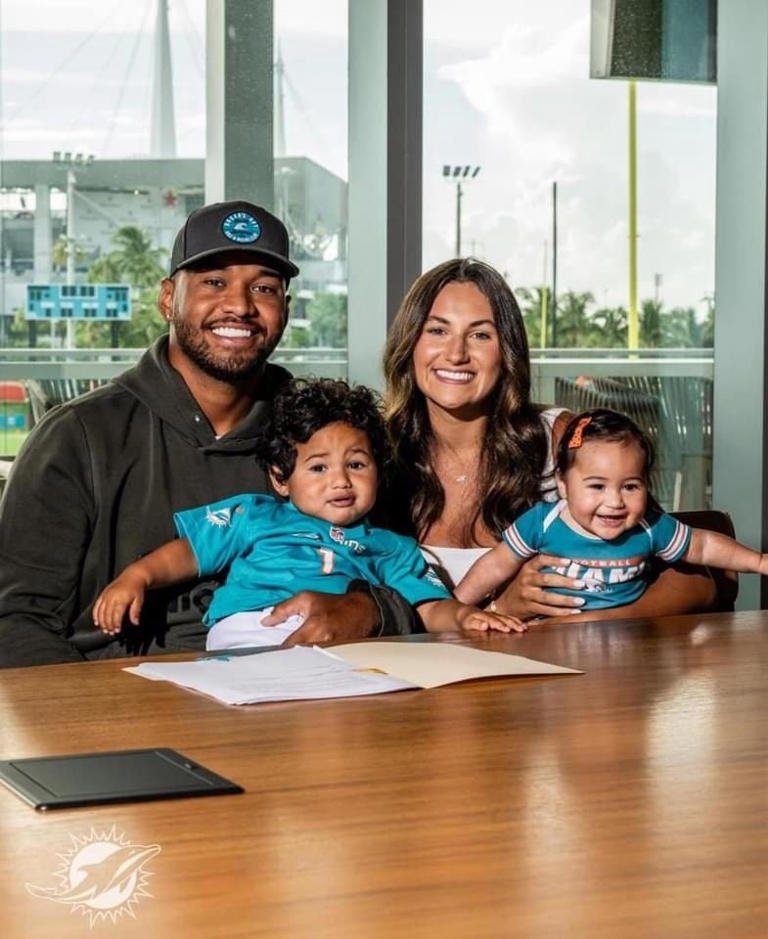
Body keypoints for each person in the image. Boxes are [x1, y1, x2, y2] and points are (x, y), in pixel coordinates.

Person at [0, 201, 417, 667]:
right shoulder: (78, 437)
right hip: (126, 698)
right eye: (214, 282)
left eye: (263, 287)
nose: (239, 305)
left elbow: (406, 573)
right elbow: (18, 621)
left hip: (312, 697)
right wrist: (96, 725)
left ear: (285, 309)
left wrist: (369, 610)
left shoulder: (329, 435)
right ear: (167, 299)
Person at [381, 257, 716, 620]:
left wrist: (591, 623)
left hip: (561, 669)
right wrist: (502, 608)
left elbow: (697, 583)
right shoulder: (373, 455)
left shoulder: (560, 440)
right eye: (437, 331)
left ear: (507, 352)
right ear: (409, 344)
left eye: (480, 334)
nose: (457, 353)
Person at [93, 379, 524, 647]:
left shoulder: (393, 547)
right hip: (251, 631)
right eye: (318, 468)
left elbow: (428, 608)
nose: (340, 481)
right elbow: (190, 553)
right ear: (282, 478)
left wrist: (466, 616)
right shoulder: (257, 514)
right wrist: (137, 577)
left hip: (342, 644)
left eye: (356, 464)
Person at [455, 409, 767, 610]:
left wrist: (759, 561)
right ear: (562, 484)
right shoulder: (543, 521)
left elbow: (703, 544)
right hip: (550, 638)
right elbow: (496, 565)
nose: (615, 502)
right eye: (596, 486)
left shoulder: (648, 526)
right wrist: (456, 608)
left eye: (630, 486)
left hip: (630, 642)